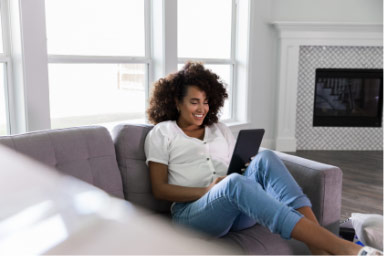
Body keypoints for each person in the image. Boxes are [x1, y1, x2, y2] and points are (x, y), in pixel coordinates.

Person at [144, 62, 381, 255]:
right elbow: (160, 190)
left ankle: (318, 248)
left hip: (233, 209)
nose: (202, 108)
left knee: (264, 157)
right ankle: (343, 248)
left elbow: (232, 171)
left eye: (205, 102)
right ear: (176, 102)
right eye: (194, 101)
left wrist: (244, 169)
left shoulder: (220, 129)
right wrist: (208, 190)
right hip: (191, 216)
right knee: (234, 183)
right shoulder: (163, 133)